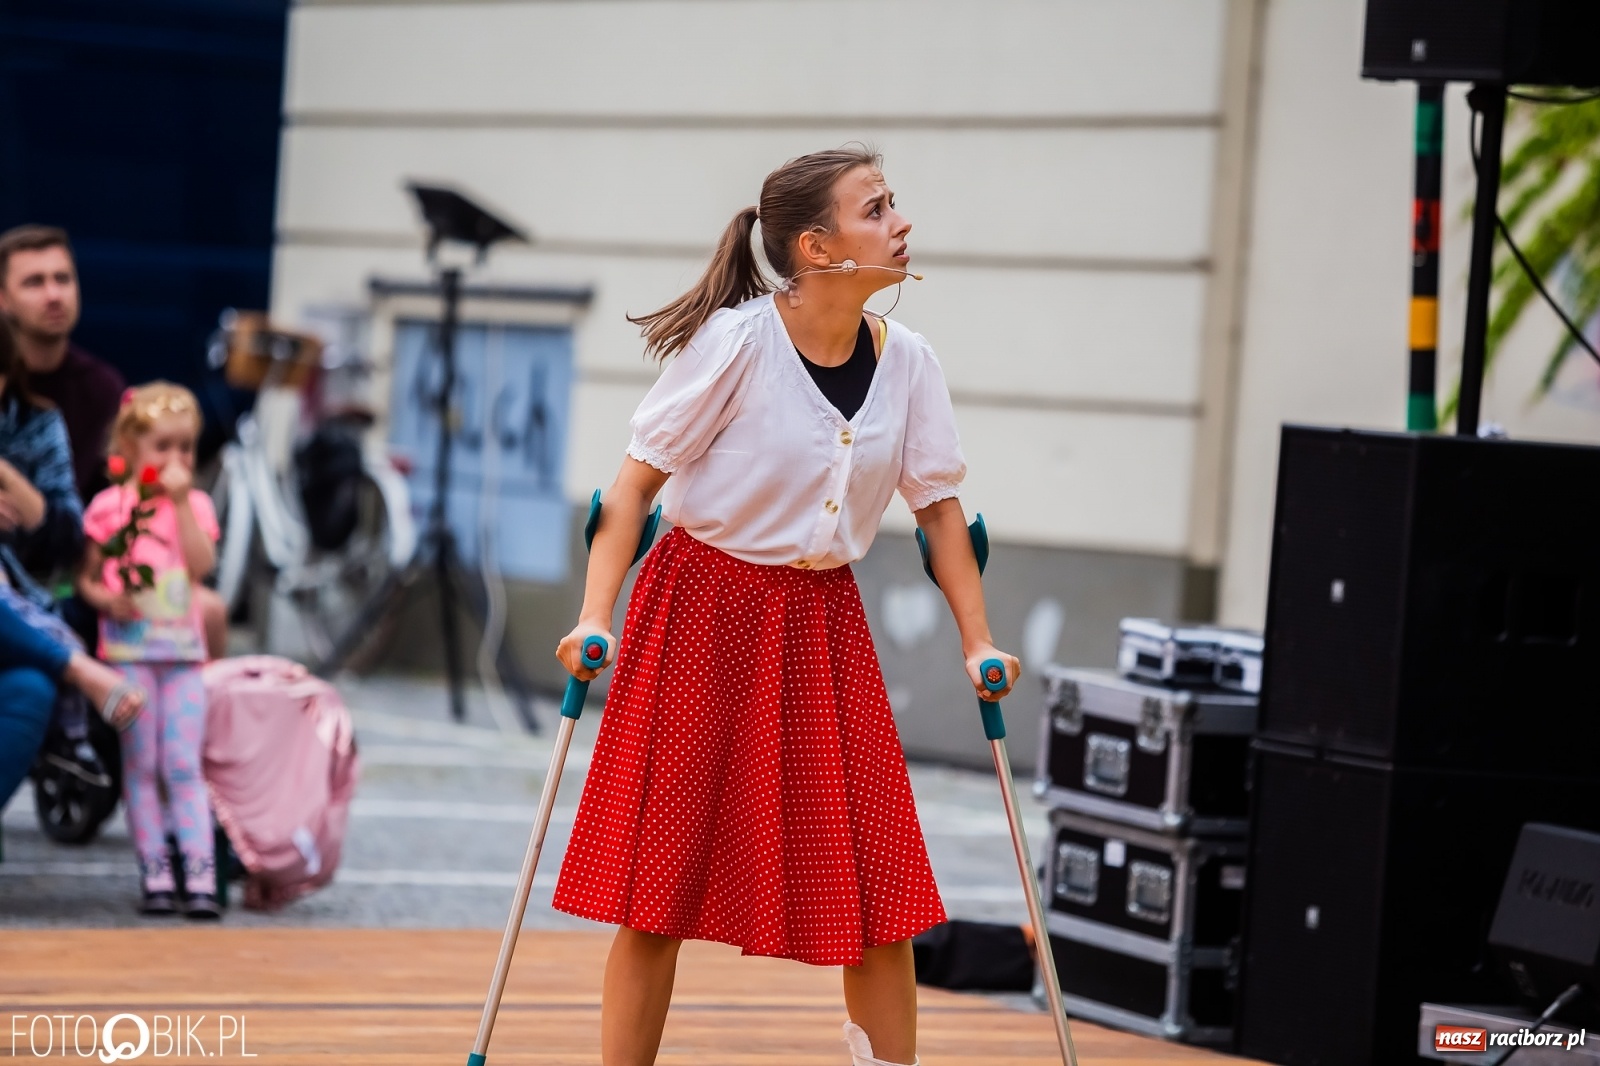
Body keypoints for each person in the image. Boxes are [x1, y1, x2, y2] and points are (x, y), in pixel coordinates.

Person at [549, 147, 1021, 1066]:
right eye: (877, 209)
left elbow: (942, 512)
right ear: (818, 246)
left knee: (880, 888)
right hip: (701, 612)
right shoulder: (736, 343)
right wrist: (593, 615)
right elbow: (632, 490)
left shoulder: (911, 363)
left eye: (894, 205)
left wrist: (980, 641)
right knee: (662, 890)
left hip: (821, 623)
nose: (902, 223)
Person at [0, 225, 227, 658]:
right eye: (34, 282)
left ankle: (191, 720)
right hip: (19, 570)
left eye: (63, 279)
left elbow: (119, 511)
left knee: (209, 611)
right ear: (2, 299)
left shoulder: (103, 388)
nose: (53, 295)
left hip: (87, 568)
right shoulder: (11, 397)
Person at [78, 382, 220, 919]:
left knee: (182, 764)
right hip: (130, 655)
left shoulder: (197, 505)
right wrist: (104, 599)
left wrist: (182, 503)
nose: (177, 459)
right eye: (162, 446)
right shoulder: (110, 507)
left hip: (183, 655)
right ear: (131, 447)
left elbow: (202, 566)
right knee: (141, 766)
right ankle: (156, 873)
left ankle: (200, 874)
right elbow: (86, 579)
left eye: (186, 447)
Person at [0, 322, 144, 816]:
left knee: (29, 688)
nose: (53, 295)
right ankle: (79, 670)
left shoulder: (36, 423)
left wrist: (5, 475)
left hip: (22, 603)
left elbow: (65, 537)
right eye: (34, 281)